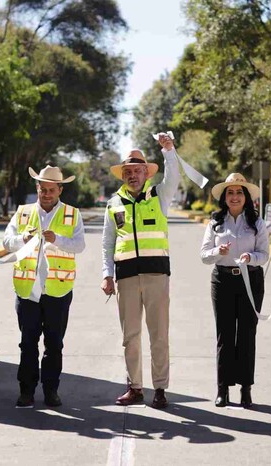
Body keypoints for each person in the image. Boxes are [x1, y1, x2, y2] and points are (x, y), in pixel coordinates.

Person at [100, 134, 181, 409]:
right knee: (130, 336)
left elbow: (173, 177)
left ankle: (159, 388)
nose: (133, 175)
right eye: (129, 172)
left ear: (146, 173)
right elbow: (108, 242)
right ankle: (135, 387)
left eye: (138, 170)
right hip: (126, 276)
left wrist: (168, 150)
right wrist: (106, 273)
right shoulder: (113, 204)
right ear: (122, 175)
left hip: (156, 274)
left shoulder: (159, 195)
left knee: (159, 334)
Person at [3, 166, 85, 408]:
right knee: (27, 342)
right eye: (42, 189)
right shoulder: (23, 213)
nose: (46, 194)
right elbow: (7, 242)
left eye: (51, 190)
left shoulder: (72, 214)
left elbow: (79, 245)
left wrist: (57, 240)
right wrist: (22, 240)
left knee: (54, 343)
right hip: (28, 288)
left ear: (60, 190)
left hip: (57, 290)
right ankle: (26, 391)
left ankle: (51, 391)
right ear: (37, 188)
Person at [200, 173, 269, 408]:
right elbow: (204, 256)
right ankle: (223, 389)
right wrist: (218, 251)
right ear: (224, 197)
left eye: (239, 192)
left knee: (247, 334)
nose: (235, 196)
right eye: (230, 192)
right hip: (223, 281)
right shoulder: (215, 222)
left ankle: (246, 389)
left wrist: (251, 257)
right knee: (225, 335)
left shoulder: (256, 222)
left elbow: (264, 255)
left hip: (251, 281)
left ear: (246, 196)